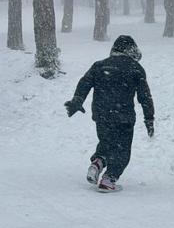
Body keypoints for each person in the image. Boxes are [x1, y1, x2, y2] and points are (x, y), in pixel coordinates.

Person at [65, 35, 154, 192]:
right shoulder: (135, 68)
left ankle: (97, 163)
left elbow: (84, 82)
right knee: (122, 149)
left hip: (102, 114)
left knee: (106, 143)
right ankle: (109, 179)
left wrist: (77, 100)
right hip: (123, 117)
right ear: (131, 50)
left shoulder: (100, 65)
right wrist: (149, 118)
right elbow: (144, 96)